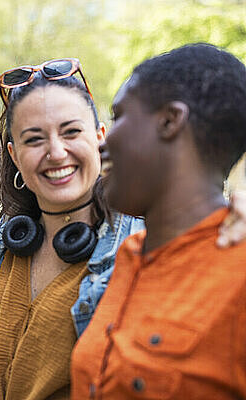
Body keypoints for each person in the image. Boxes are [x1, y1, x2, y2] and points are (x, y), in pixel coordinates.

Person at [71, 43, 246, 399]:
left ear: (169, 121)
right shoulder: (130, 254)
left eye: (119, 116)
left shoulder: (238, 268)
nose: (102, 141)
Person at [0, 58, 145, 400]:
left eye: (71, 132)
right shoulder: (2, 245)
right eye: (34, 139)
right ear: (14, 155)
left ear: (100, 138)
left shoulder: (144, 244)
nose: (56, 152)